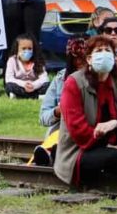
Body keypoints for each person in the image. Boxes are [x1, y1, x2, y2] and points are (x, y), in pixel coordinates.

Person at [53, 36, 117, 186]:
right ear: (89, 59)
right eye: (99, 51)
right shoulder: (74, 83)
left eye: (108, 51)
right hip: (81, 149)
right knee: (115, 157)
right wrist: (106, 145)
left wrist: (115, 123)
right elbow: (77, 129)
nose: (104, 54)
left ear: (114, 58)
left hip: (112, 137)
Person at [34, 37, 89, 166]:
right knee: (59, 134)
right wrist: (58, 112)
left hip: (85, 128)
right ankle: (50, 152)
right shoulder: (60, 79)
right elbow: (43, 117)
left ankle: (57, 154)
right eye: (77, 59)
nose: (81, 63)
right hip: (61, 129)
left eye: (84, 58)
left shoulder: (98, 77)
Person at [3, 34, 48, 99]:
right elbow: (9, 78)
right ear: (17, 49)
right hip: (20, 86)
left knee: (47, 85)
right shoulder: (12, 60)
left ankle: (20, 96)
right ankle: (37, 97)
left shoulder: (38, 60)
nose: (27, 51)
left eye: (30, 49)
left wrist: (33, 85)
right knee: (9, 86)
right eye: (23, 49)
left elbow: (44, 78)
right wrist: (24, 84)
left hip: (35, 86)